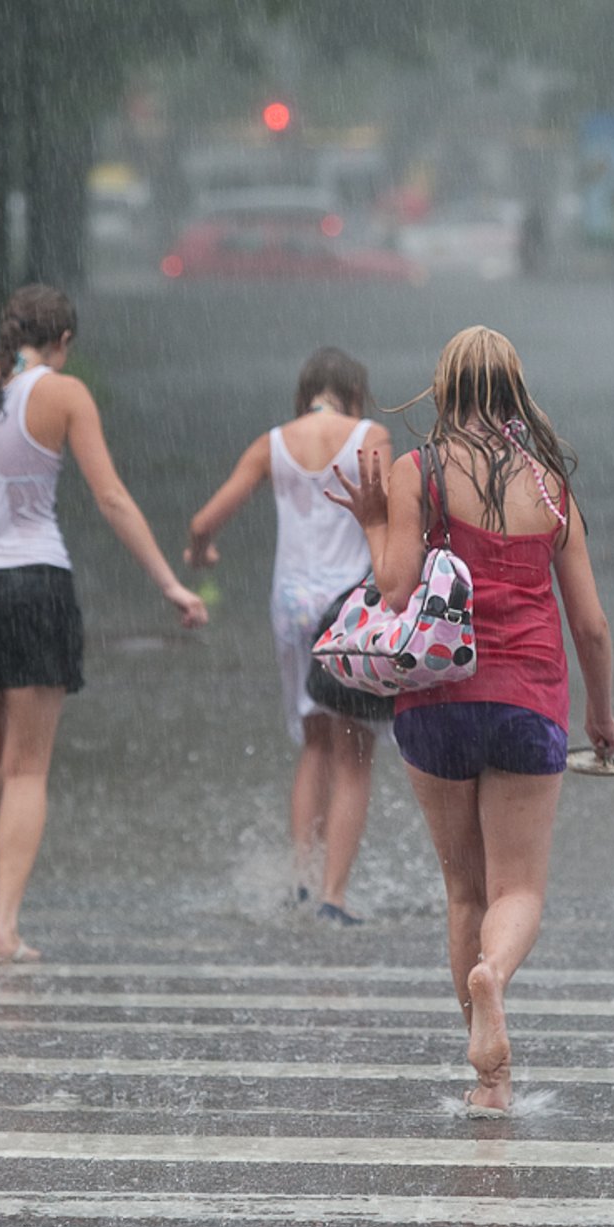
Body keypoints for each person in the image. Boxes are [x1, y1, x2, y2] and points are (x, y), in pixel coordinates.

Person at [330, 325, 614, 1115]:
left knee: (463, 888)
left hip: (436, 702)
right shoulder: (552, 485)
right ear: (513, 389)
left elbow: (392, 591)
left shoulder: (416, 469)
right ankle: (497, 982)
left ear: (445, 388)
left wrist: (370, 521)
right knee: (518, 885)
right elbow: (590, 624)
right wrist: (602, 715)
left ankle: (487, 1074)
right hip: (529, 702)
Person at [0, 284, 207, 963]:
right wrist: (170, 582)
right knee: (26, 767)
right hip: (36, 585)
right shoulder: (65, 396)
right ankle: (5, 928)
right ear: (62, 342)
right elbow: (112, 498)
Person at [185, 347, 393, 925]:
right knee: (354, 755)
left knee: (316, 744)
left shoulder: (273, 443)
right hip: (349, 610)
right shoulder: (369, 435)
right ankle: (333, 896)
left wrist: (202, 553)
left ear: (306, 393)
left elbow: (204, 521)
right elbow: (394, 514)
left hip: (291, 606)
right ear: (355, 392)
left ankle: (300, 879)